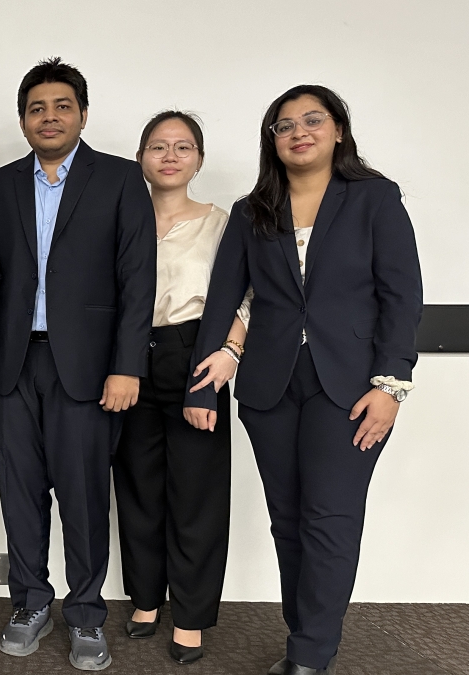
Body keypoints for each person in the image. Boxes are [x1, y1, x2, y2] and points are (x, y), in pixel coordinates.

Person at [185, 85, 422, 675]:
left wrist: (391, 386)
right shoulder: (253, 209)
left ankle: (310, 656)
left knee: (330, 518)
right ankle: (307, 633)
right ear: (272, 140)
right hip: (269, 388)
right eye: (284, 125)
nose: (299, 132)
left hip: (351, 389)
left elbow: (401, 296)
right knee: (287, 520)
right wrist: (200, 385)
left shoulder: (374, 199)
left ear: (338, 129)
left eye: (312, 120)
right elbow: (225, 298)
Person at [0, 57, 157, 670]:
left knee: (85, 494)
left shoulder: (121, 180)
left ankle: (87, 613)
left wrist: (127, 367)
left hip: (91, 371)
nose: (49, 117)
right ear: (22, 121)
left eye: (61, 106)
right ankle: (30, 601)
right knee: (20, 494)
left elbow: (135, 279)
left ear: (83, 115)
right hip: (13, 365)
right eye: (37, 108)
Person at [113, 111, 249, 665]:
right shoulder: (121, 216)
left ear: (198, 158)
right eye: (158, 146)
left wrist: (228, 356)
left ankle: (190, 616)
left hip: (196, 356)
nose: (170, 156)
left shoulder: (221, 222)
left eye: (183, 147)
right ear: (141, 156)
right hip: (127, 359)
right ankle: (146, 600)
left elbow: (250, 295)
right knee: (138, 487)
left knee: (196, 495)